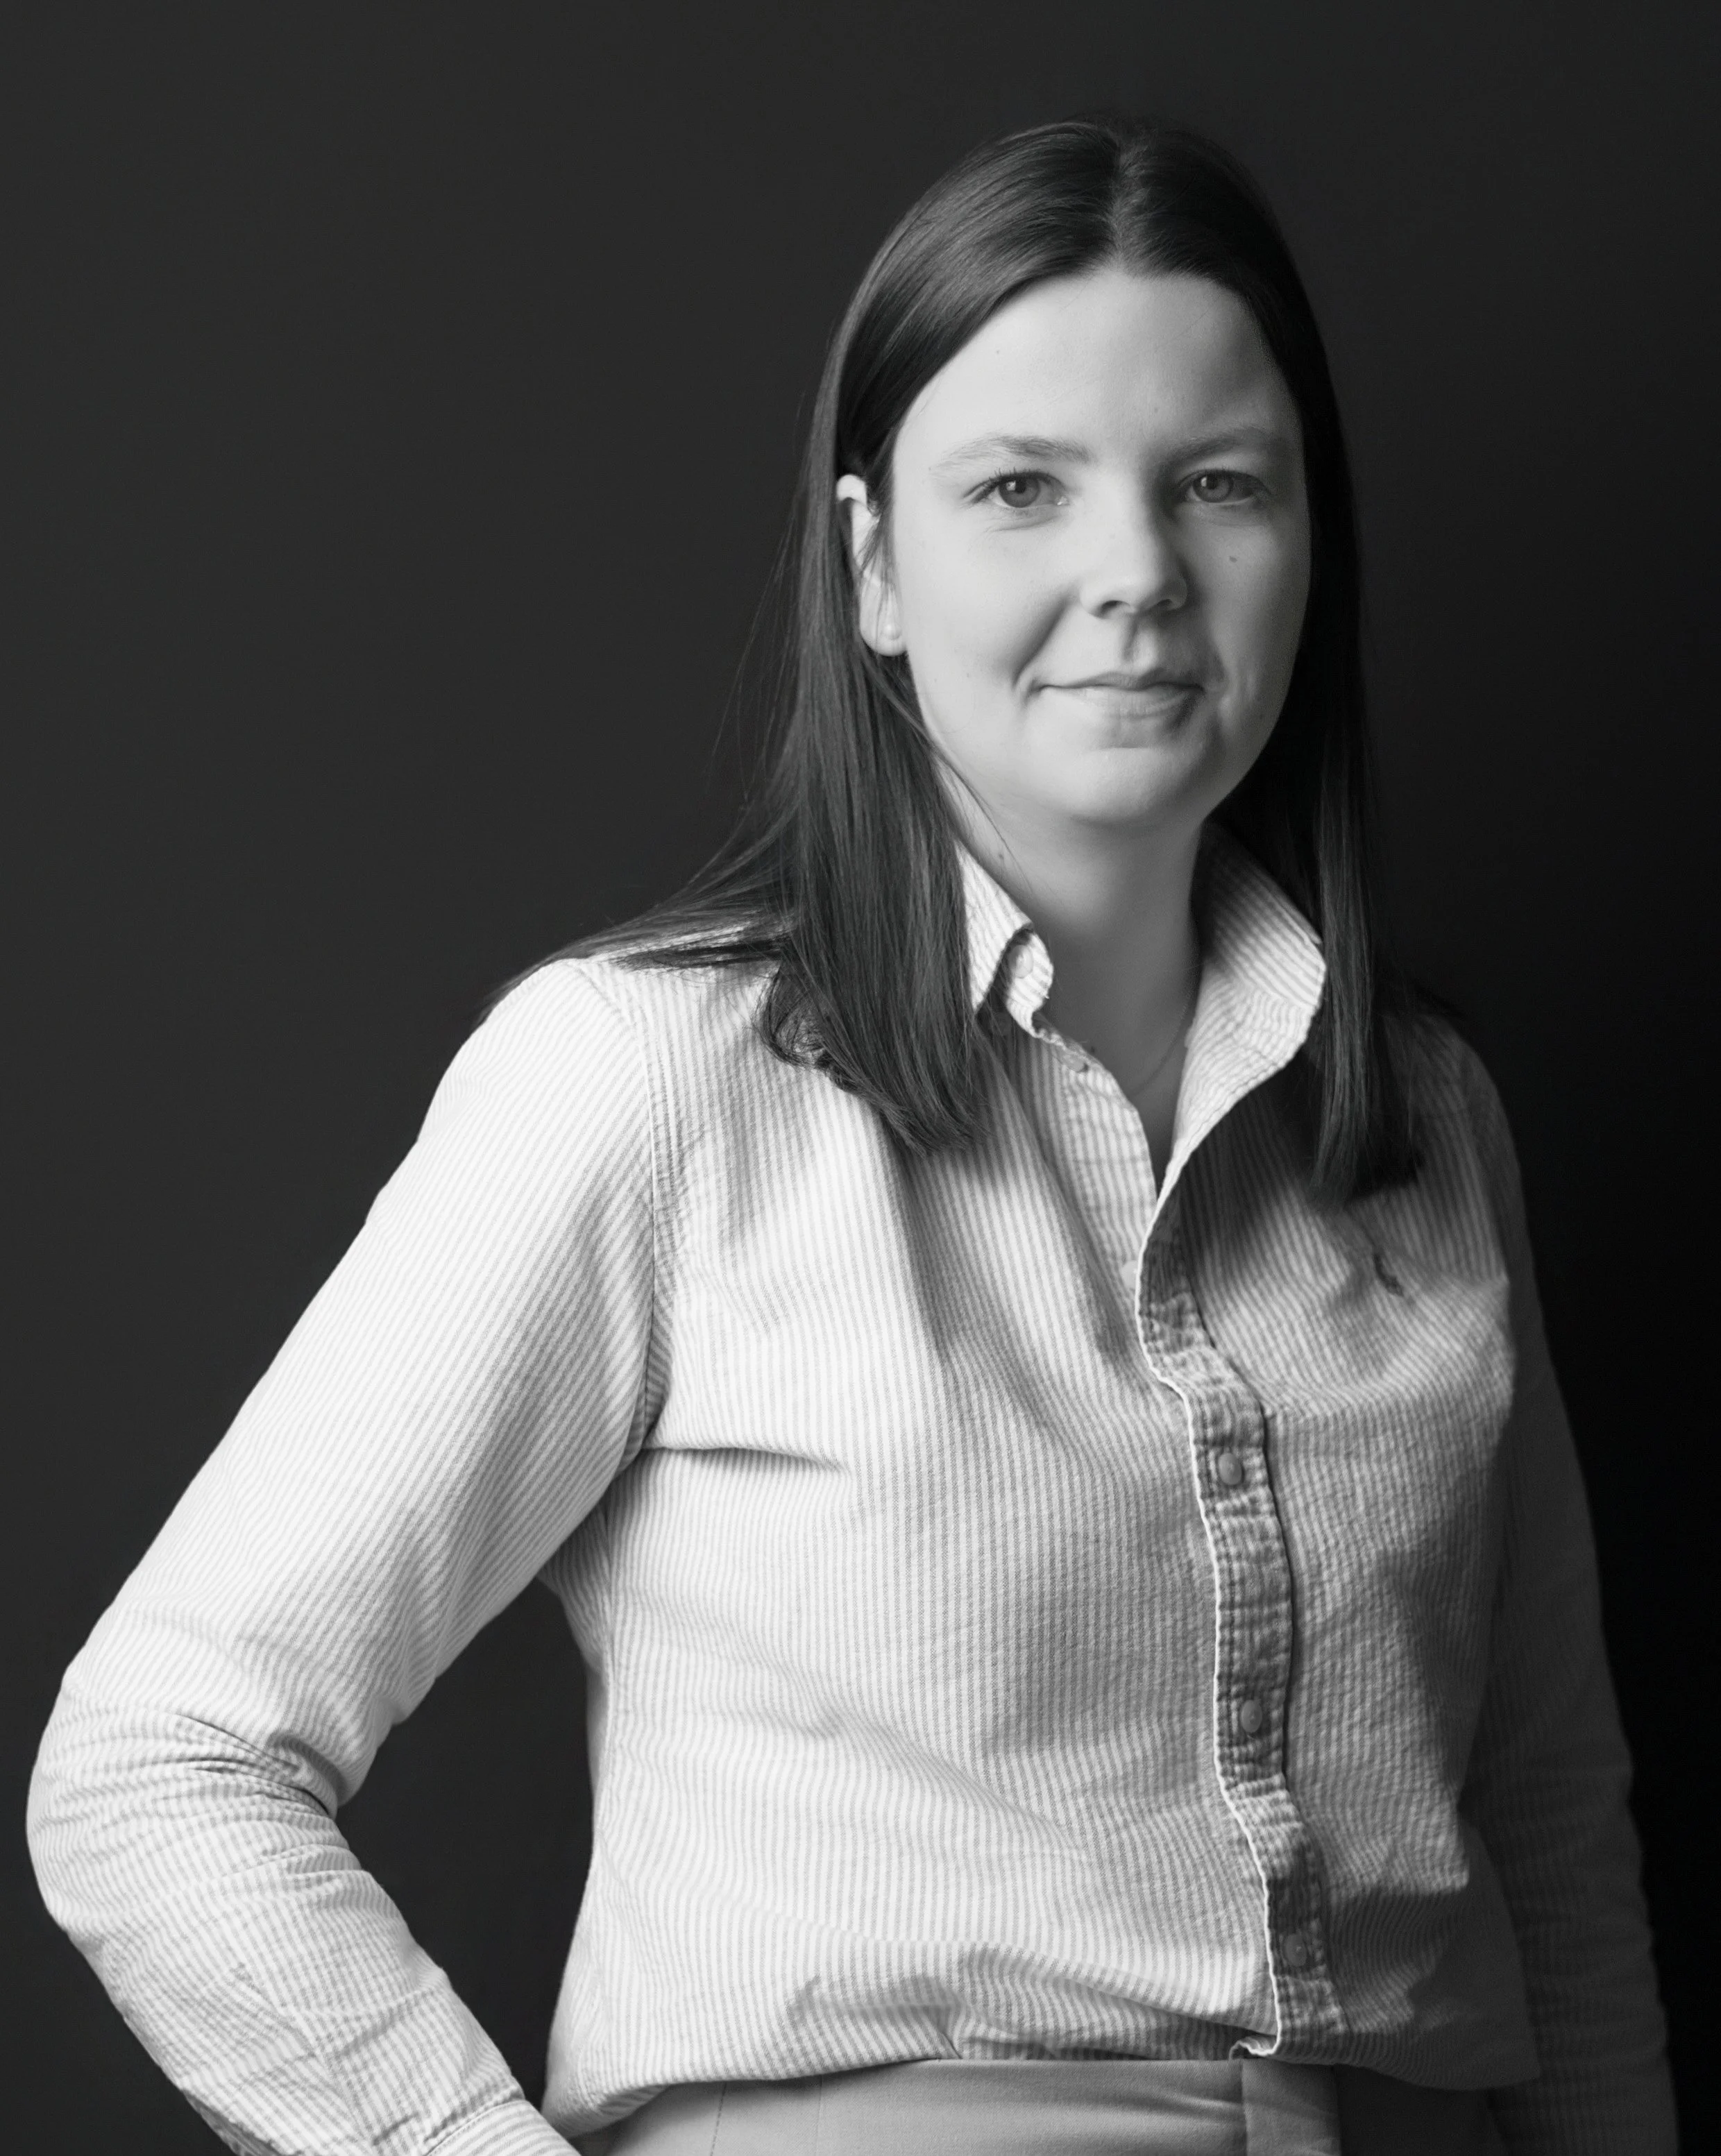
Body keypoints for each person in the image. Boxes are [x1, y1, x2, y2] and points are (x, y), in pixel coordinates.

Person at [28, 114, 1675, 2156]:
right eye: (1019, 491)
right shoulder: (654, 1084)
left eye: (1220, 484)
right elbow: (158, 1759)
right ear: (875, 567)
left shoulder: (1427, 1123)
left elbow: (1551, 1842)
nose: (1136, 575)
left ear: (1310, 545)